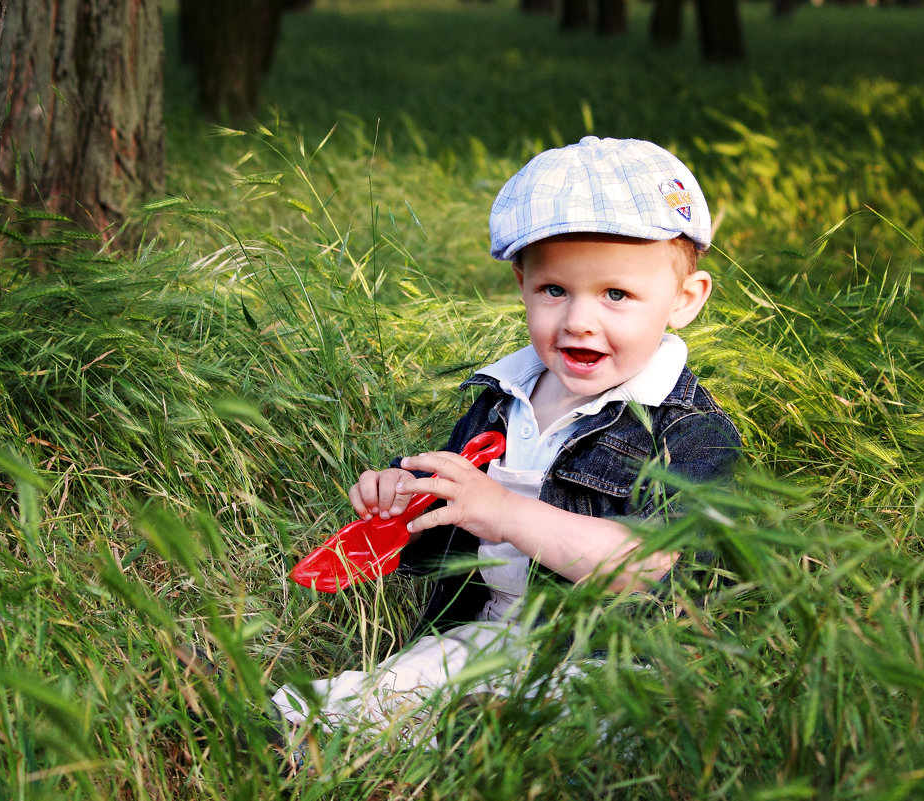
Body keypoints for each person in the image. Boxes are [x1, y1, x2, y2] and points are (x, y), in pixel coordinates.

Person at [262, 136, 742, 758]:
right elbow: (458, 511)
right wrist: (404, 501)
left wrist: (506, 512)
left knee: (580, 731)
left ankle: (478, 740)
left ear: (685, 299)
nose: (578, 321)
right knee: (382, 692)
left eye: (616, 295)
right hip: (485, 629)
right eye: (554, 291)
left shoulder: (684, 432)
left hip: (606, 656)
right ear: (522, 283)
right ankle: (277, 731)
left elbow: (649, 567)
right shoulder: (505, 396)